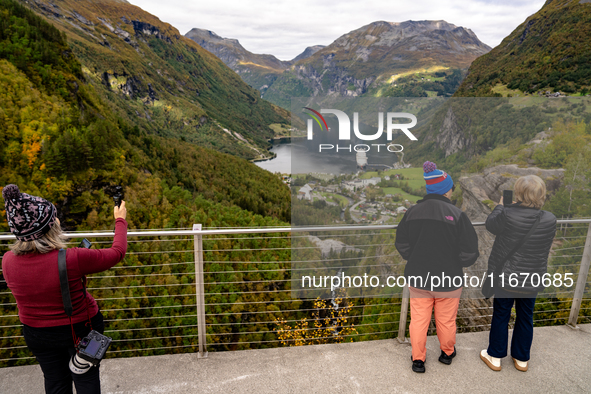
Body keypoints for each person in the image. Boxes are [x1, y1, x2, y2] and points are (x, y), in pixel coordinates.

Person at [1, 184, 128, 393]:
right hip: (84, 330)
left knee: (55, 382)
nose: (58, 220)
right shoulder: (72, 258)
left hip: (37, 335)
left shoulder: (7, 261)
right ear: (49, 228)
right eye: (54, 218)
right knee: (86, 379)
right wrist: (120, 219)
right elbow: (117, 252)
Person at [395, 161, 479, 373]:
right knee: (446, 320)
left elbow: (401, 243)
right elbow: (470, 252)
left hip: (418, 277)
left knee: (419, 321)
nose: (452, 190)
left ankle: (418, 359)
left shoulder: (412, 213)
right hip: (449, 279)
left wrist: (412, 257)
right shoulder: (458, 215)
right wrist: (455, 263)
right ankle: (447, 353)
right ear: (445, 190)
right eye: (451, 187)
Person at [480, 175, 556, 372]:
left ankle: (495, 356)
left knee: (501, 314)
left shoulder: (507, 213)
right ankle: (521, 359)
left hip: (508, 277)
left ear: (519, 194)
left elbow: (491, 225)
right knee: (525, 317)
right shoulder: (549, 219)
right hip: (533, 278)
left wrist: (501, 206)